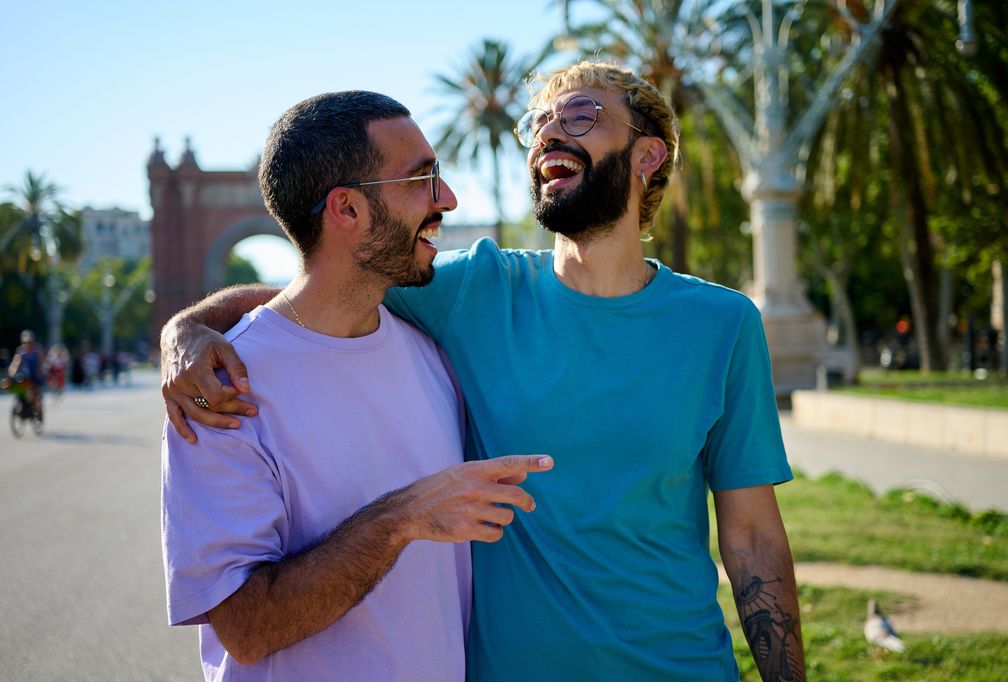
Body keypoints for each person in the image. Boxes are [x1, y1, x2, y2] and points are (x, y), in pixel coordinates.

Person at [163, 62, 805, 680]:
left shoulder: (723, 324)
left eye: (581, 116)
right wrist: (186, 329)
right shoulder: (475, 290)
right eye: (539, 122)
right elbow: (326, 281)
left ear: (648, 156)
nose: (550, 132)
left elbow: (752, 536)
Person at [159, 90, 553, 681]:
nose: (447, 198)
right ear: (346, 210)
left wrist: (184, 324)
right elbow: (245, 629)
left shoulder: (433, 349)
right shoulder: (220, 388)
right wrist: (401, 518)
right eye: (422, 180)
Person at [8, 330, 45, 414]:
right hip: (25, 375)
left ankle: (37, 410)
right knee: (20, 389)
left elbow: (41, 363)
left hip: (35, 374)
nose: (28, 344)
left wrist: (40, 371)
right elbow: (15, 363)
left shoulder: (38, 350)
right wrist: (11, 372)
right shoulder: (20, 351)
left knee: (35, 391)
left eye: (30, 342)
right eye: (26, 342)